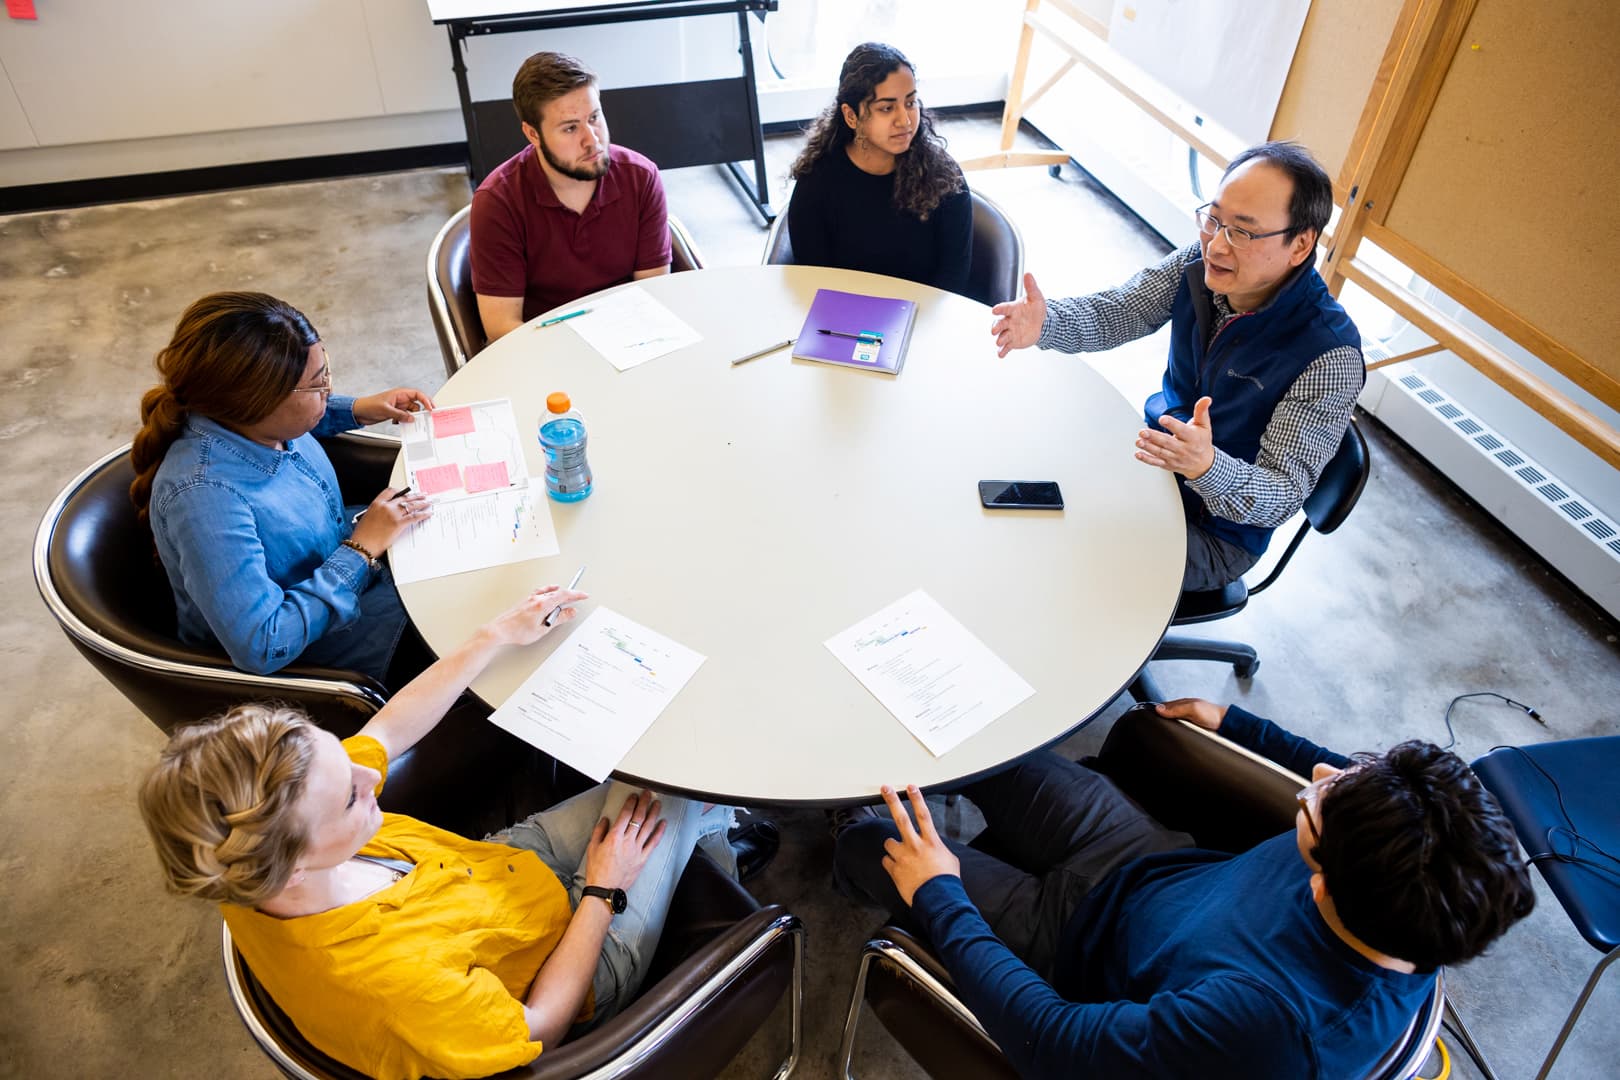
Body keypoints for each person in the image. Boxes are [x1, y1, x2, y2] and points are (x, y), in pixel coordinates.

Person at [139, 584, 755, 1080]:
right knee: (679, 774)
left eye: (341, 755)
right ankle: (713, 848)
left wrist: (494, 636)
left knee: (654, 751)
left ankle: (707, 837)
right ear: (296, 864)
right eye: (351, 795)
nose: (366, 773)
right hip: (570, 962)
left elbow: (385, 734)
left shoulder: (245, 850)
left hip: (496, 873)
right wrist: (602, 890)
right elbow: (541, 1025)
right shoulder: (395, 990)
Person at [833, 699, 1536, 1079]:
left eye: (1316, 807)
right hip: (1145, 860)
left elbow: (1054, 1043)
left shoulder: (1269, 1030)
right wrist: (1240, 727)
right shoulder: (1422, 883)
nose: (1317, 782)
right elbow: (1333, 777)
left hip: (1070, 949)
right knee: (965, 731)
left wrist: (943, 897)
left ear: (1322, 886)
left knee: (872, 843)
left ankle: (840, 841)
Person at [990, 141, 1364, 591]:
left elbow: (1281, 497)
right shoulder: (1197, 261)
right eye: (1214, 218)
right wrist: (1047, 323)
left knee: (1062, 568)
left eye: (1243, 232)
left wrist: (1206, 465)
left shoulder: (1329, 356)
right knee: (1021, 487)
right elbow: (1119, 311)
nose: (1217, 245)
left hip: (1215, 532)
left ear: (1300, 244)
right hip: (1154, 466)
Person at [131, 291, 436, 686]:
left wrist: (358, 408)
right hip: (319, 654)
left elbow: (308, 415)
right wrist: (360, 550)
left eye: (326, 372)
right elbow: (263, 644)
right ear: (256, 402)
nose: (327, 390)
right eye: (317, 384)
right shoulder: (205, 497)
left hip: (353, 569)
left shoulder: (249, 422)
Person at [470, 51, 671, 341]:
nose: (592, 140)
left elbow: (654, 296)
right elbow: (501, 328)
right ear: (532, 134)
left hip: (631, 339)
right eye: (570, 128)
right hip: (545, 350)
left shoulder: (641, 177)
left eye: (594, 117)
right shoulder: (497, 203)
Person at [787, 42, 972, 296]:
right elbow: (814, 279)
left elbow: (953, 280)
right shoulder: (817, 182)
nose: (905, 120)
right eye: (886, 108)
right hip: (843, 320)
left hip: (926, 321)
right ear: (851, 116)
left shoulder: (943, 177)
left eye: (910, 102)